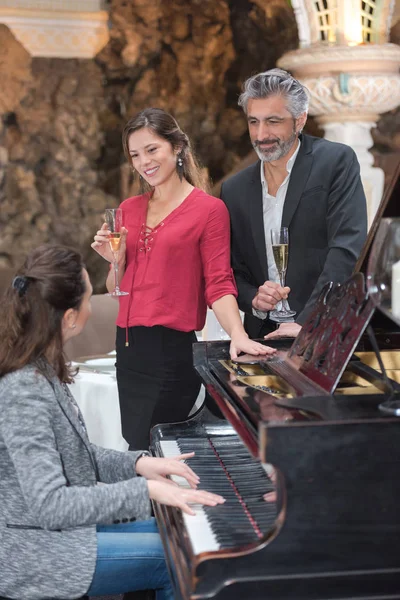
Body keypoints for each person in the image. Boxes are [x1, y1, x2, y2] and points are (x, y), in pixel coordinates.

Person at [0, 244, 226, 600]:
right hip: (38, 551)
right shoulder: (23, 391)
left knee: (179, 532)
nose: (95, 306)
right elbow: (50, 506)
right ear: (70, 317)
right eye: (90, 298)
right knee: (183, 559)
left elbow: (76, 453)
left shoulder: (41, 368)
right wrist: (147, 490)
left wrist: (139, 464)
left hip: (63, 533)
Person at [92, 107, 275, 450]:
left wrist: (238, 335)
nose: (143, 161)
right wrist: (115, 262)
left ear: (176, 148)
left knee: (160, 450)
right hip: (129, 349)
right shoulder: (128, 209)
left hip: (171, 350)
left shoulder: (209, 210)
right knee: (137, 449)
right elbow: (116, 290)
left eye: (152, 149)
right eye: (134, 154)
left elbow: (219, 283)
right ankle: (149, 505)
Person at [220, 68, 368, 341]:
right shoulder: (233, 189)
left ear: (300, 121)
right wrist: (254, 298)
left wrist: (309, 323)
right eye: (254, 122)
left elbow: (347, 250)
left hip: (325, 336)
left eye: (273, 121)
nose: (261, 134)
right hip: (261, 340)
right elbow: (231, 271)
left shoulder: (336, 162)